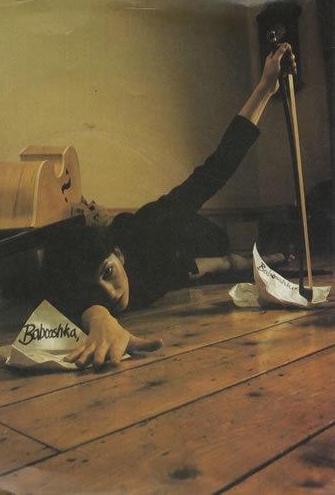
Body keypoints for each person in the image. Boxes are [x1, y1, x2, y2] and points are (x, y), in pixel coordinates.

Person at [40, 43, 297, 370]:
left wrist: (264, 89)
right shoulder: (88, 273)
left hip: (193, 238)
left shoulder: (155, 226)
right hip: (177, 268)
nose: (109, 292)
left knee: (221, 257)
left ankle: (256, 258)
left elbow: (215, 170)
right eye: (96, 287)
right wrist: (97, 316)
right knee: (203, 268)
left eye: (108, 273)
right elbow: (58, 288)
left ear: (119, 255)